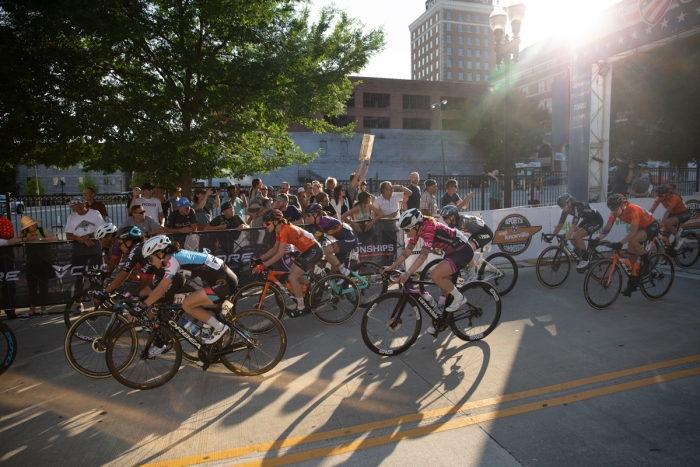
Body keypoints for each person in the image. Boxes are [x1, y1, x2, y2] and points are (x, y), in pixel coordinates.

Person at [381, 209, 474, 335]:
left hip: (462, 251)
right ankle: (442, 323)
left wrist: (408, 273)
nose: (406, 233)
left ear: (416, 225)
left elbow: (423, 256)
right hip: (452, 252)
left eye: (407, 230)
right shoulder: (419, 229)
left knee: (435, 275)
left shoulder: (429, 228)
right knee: (444, 288)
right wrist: (392, 266)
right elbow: (407, 251)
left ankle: (459, 297)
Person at [138, 235, 239, 349]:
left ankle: (220, 327)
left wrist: (143, 305)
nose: (150, 263)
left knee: (187, 304)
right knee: (202, 311)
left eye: (150, 258)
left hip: (224, 282)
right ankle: (211, 351)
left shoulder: (173, 260)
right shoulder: (176, 257)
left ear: (160, 254)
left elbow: (161, 289)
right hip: (222, 280)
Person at [254, 209, 324, 318]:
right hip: (307, 250)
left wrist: (263, 265)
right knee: (291, 273)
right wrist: (259, 259)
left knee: (292, 277)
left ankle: (301, 307)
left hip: (313, 250)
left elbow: (279, 254)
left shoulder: (283, 229)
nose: (265, 225)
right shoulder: (279, 230)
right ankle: (312, 288)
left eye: (267, 223)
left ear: (275, 222)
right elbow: (274, 249)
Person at [596, 194, 660, 297]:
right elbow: (607, 228)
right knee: (631, 259)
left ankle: (647, 262)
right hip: (641, 227)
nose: (614, 211)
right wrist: (597, 239)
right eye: (611, 208)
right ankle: (632, 285)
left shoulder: (633, 209)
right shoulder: (614, 213)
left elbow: (633, 232)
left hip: (652, 226)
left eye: (615, 208)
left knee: (634, 240)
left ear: (623, 205)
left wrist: (621, 243)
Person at [94, 226, 158, 298]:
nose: (119, 246)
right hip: (149, 267)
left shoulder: (135, 252)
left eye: (120, 243)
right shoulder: (139, 248)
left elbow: (122, 273)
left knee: (145, 297)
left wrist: (105, 291)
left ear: (128, 243)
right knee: (144, 296)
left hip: (166, 274)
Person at [548, 194, 604, 268]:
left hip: (597, 220)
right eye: (560, 206)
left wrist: (565, 239)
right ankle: (581, 251)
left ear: (569, 202)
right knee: (573, 237)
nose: (562, 208)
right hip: (588, 220)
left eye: (563, 205)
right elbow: (560, 225)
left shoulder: (578, 207)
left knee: (577, 235)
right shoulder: (566, 210)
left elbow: (573, 226)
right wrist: (551, 237)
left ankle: (585, 259)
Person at [440, 205, 494, 282]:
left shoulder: (462, 222)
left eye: (445, 217)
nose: (444, 220)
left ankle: (473, 275)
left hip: (484, 233)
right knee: (462, 249)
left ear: (452, 216)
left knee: (466, 250)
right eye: (443, 218)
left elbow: (462, 240)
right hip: (474, 232)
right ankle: (474, 267)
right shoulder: (452, 223)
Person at [17, 216, 57, 319]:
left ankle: (43, 309)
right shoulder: (24, 234)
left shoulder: (42, 230)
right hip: (32, 263)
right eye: (30, 226)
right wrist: (25, 238)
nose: (33, 226)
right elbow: (11, 242)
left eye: (33, 224)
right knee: (32, 287)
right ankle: (32, 310)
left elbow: (54, 238)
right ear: (26, 228)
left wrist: (39, 238)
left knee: (43, 286)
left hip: (45, 262)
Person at [65, 197, 106, 296]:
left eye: (73, 205)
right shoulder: (71, 217)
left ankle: (98, 299)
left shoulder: (95, 213)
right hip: (78, 249)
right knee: (79, 277)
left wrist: (88, 236)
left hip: (94, 246)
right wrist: (81, 239)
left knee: (97, 275)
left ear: (81, 205)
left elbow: (102, 229)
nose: (72, 208)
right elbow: (68, 235)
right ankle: (79, 302)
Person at [304, 204, 357, 274]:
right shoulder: (318, 223)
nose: (306, 218)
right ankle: (342, 276)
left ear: (315, 215)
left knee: (325, 251)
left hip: (349, 240)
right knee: (334, 268)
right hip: (344, 240)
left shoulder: (322, 222)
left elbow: (315, 239)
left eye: (308, 215)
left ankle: (344, 270)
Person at [649, 185, 692, 250]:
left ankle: (679, 239)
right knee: (665, 237)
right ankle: (668, 254)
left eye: (661, 196)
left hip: (683, 213)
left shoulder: (674, 197)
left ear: (667, 194)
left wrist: (662, 223)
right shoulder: (658, 198)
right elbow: (651, 210)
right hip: (673, 213)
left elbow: (667, 212)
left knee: (667, 223)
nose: (659, 198)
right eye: (658, 195)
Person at [0, 214, 22, 319]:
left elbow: (8, 237)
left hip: (4, 256)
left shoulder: (4, 221)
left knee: (8, 282)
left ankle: (10, 310)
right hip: (5, 253)